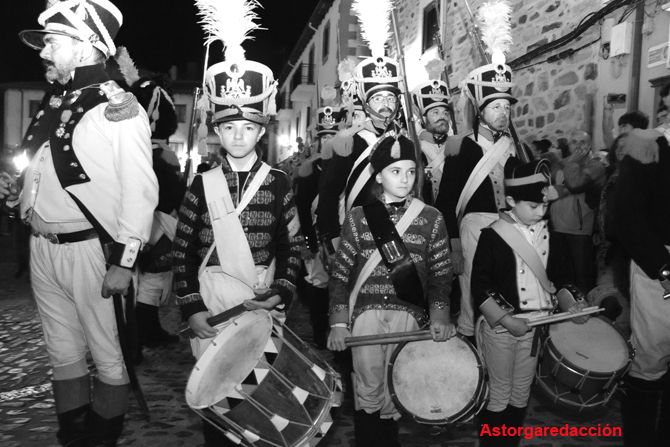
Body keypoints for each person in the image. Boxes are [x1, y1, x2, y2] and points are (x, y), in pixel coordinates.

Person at [2, 1, 159, 445]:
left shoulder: (118, 106)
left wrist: (125, 260)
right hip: (42, 245)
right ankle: (72, 438)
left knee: (108, 357)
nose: (44, 52)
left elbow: (140, 189)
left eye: (53, 42)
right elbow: (41, 166)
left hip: (90, 249)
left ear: (86, 44)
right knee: (62, 353)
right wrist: (18, 194)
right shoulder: (57, 100)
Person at [172, 2, 302, 445]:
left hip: (261, 301)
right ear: (217, 131)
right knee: (218, 402)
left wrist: (281, 290)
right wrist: (191, 308)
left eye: (248, 127)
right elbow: (183, 251)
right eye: (229, 128)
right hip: (213, 305)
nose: (238, 136)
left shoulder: (280, 183)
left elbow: (291, 247)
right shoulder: (200, 185)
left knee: (261, 401)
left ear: (262, 130)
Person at [327, 133, 454, 447]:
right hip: (365, 317)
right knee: (367, 389)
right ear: (379, 176)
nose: (405, 179)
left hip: (409, 316)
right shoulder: (358, 218)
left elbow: (440, 275)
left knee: (397, 387)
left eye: (411, 172)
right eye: (395, 172)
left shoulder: (432, 218)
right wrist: (339, 323)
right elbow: (340, 275)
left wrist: (439, 316)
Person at [472, 158, 587, 447]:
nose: (540, 212)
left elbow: (561, 278)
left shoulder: (552, 237)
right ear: (511, 201)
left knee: (521, 393)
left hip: (537, 326)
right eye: (533, 206)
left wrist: (572, 304)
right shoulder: (492, 236)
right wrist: (506, 319)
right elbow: (480, 286)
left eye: (544, 206)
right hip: (502, 328)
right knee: (499, 393)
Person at [435, 3, 526, 340]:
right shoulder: (461, 146)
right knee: (474, 291)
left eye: (506, 107)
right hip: (474, 226)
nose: (503, 113)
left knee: (507, 287)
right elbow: (446, 202)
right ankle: (471, 340)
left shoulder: (515, 147)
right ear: (481, 110)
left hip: (510, 225)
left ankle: (499, 342)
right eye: (495, 107)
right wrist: (454, 246)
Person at [317, 3, 406, 261]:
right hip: (358, 237)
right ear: (365, 102)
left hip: (401, 234)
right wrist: (332, 239)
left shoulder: (403, 140)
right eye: (378, 98)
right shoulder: (349, 144)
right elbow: (329, 195)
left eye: (390, 98)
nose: (386, 105)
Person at [116, 47, 186, 359]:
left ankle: (141, 333)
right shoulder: (158, 155)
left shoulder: (133, 150)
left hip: (139, 223)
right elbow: (167, 193)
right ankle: (142, 334)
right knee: (151, 281)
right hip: (155, 223)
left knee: (142, 282)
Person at [612, 129, 670, 446]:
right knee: (650, 360)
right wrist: (663, 268)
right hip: (658, 265)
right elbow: (626, 216)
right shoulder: (647, 145)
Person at [295, 105, 344, 348]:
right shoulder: (310, 170)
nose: (328, 142)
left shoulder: (347, 166)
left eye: (333, 136)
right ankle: (319, 333)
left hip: (342, 235)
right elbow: (303, 210)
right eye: (324, 137)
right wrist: (310, 243)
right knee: (319, 283)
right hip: (317, 237)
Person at [548, 130, 606, 295]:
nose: (578, 146)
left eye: (582, 142)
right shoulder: (560, 164)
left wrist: (572, 163)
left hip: (580, 231)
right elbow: (548, 189)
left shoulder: (595, 165)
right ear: (569, 145)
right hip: (557, 228)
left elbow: (575, 184)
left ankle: (587, 307)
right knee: (560, 277)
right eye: (574, 142)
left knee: (582, 279)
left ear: (589, 145)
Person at [411, 76, 455, 204]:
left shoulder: (458, 146)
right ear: (423, 118)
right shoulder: (414, 149)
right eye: (435, 112)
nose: (442, 117)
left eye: (445, 113)